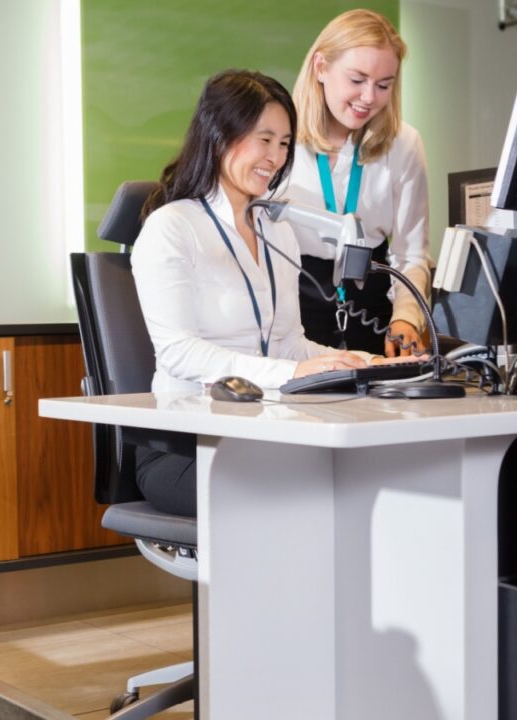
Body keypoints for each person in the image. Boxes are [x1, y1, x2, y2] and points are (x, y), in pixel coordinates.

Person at [130, 69, 407, 517]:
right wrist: (289, 374)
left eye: (283, 143)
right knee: (312, 495)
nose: (276, 157)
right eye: (264, 140)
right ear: (220, 136)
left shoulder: (276, 229)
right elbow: (178, 352)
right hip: (187, 445)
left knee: (369, 475)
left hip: (265, 431)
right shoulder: (172, 228)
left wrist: (356, 362)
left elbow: (290, 342)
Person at [286, 9, 432, 356]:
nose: (369, 97)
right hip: (293, 319)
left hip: (374, 317)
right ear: (321, 68)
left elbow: (411, 252)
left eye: (384, 85)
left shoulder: (404, 144)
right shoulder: (279, 139)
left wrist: (408, 318)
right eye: (357, 80)